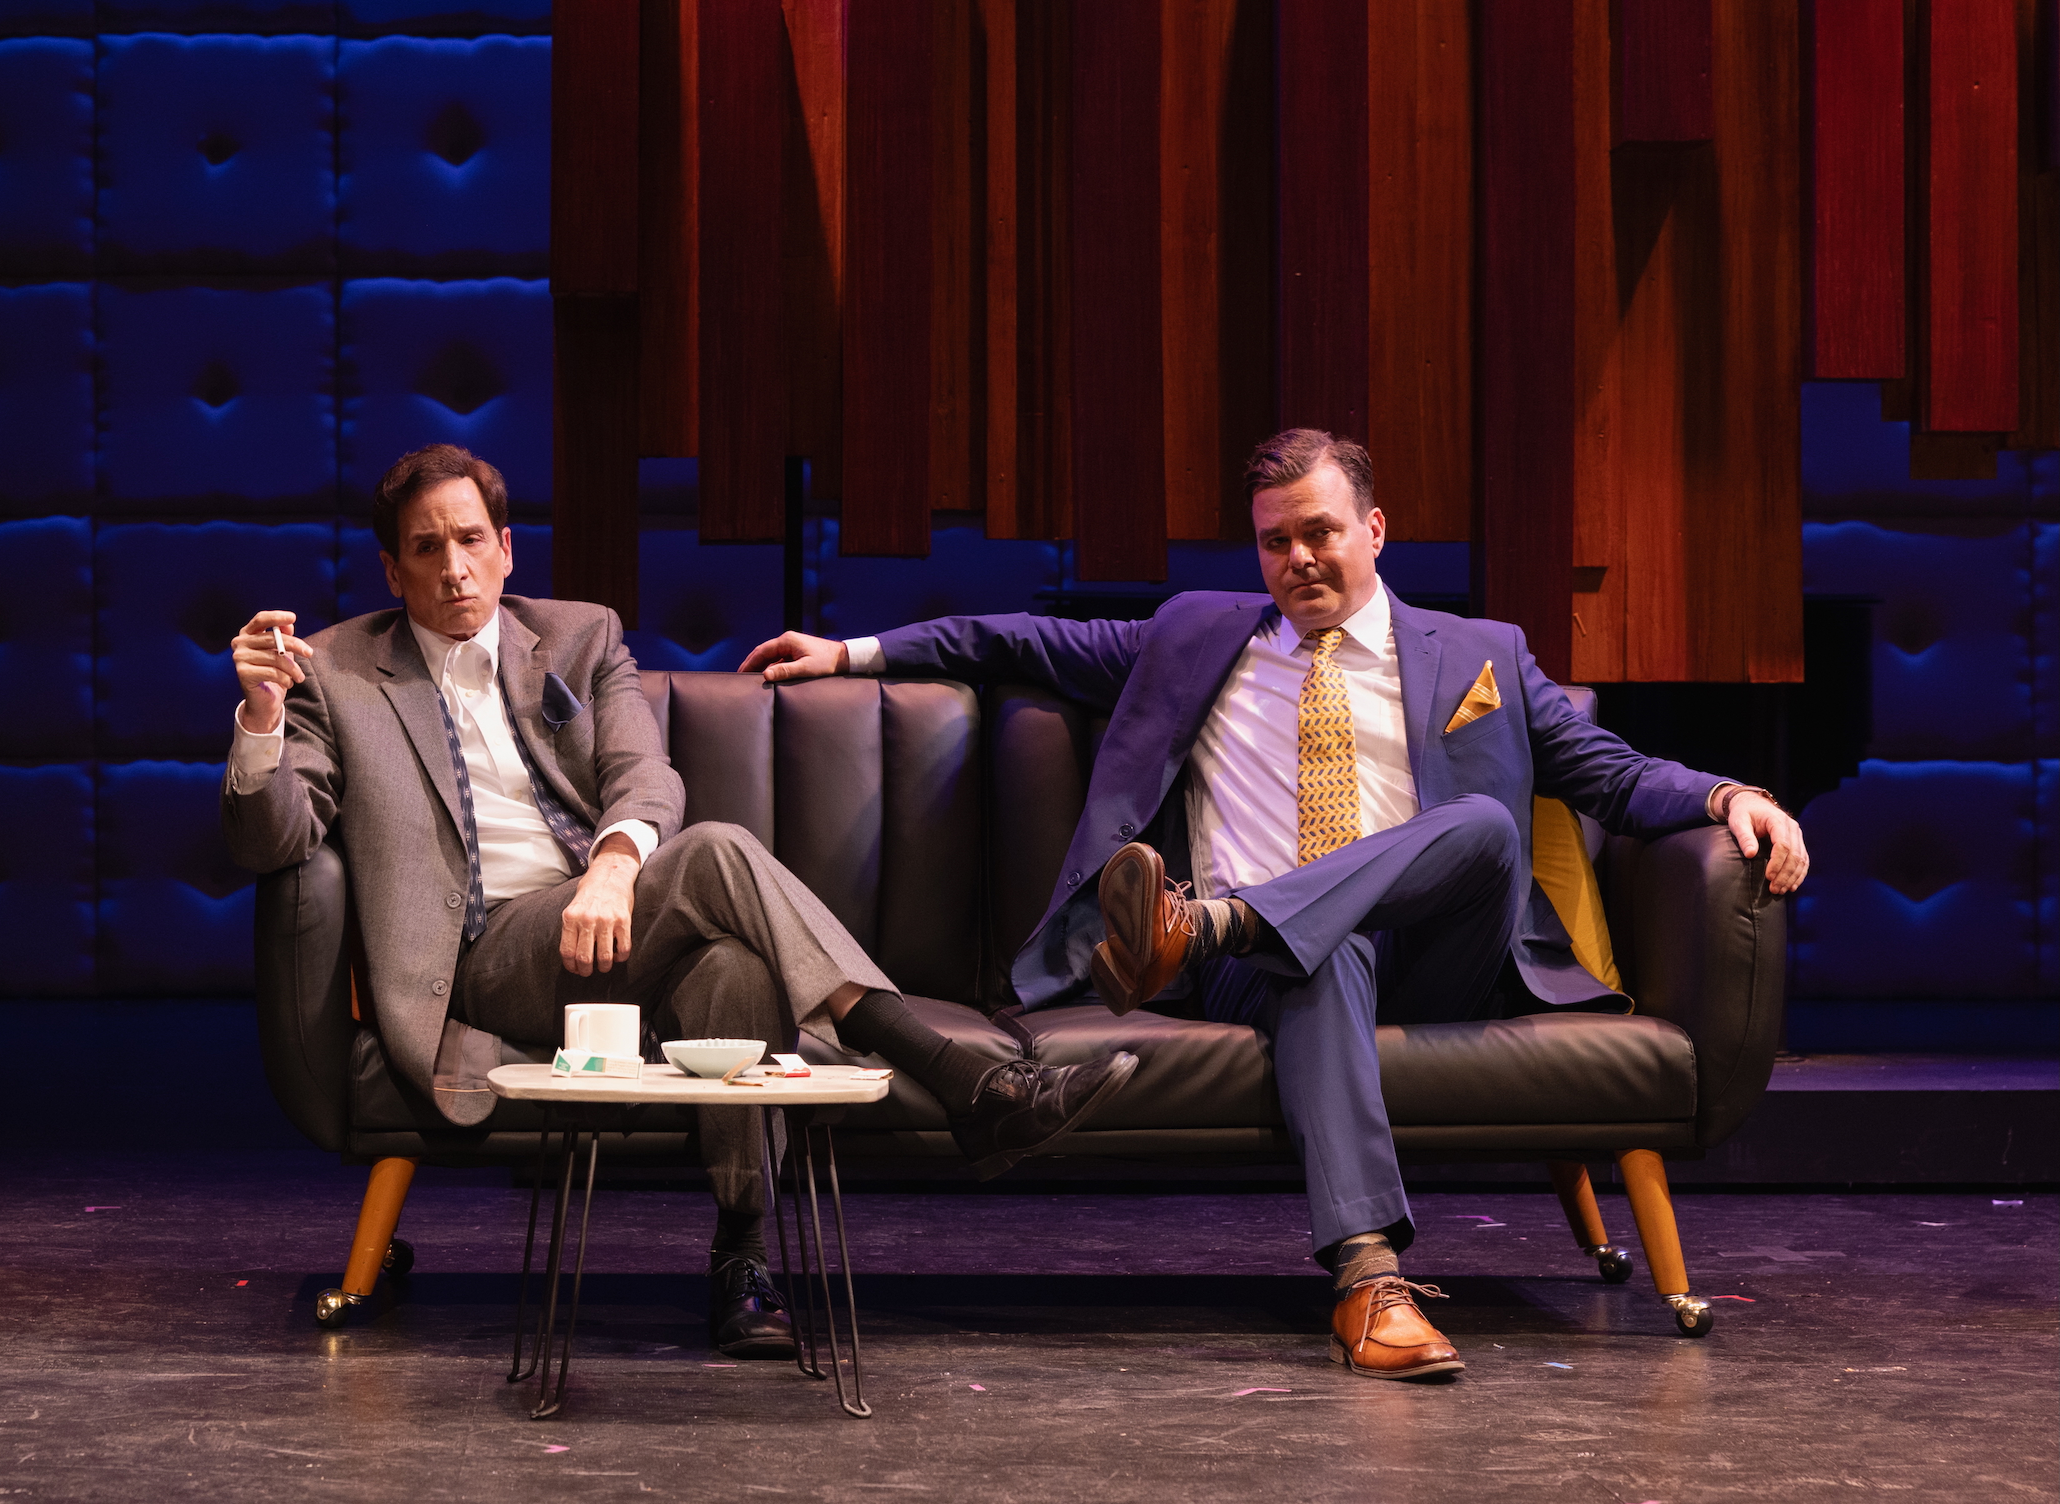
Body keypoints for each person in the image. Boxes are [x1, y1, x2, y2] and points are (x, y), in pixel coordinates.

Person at [739, 428, 1808, 1381]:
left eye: (1318, 531)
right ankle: (1367, 1278)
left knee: (1483, 823)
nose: (1295, 558)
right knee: (1319, 945)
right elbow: (1013, 639)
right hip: (1269, 965)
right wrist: (853, 650)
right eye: (1271, 541)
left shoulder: (1483, 652)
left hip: (1433, 944)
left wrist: (1728, 794)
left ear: (1374, 528)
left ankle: (1210, 919)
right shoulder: (1197, 636)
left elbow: (1610, 774)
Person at [223, 444, 1140, 1357]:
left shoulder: (581, 636)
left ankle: (741, 1260)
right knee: (716, 852)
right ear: (393, 569)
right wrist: (262, 716)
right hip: (485, 958)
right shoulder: (335, 671)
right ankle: (964, 1081)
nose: (454, 569)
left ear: (508, 547)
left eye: (470, 540)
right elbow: (274, 840)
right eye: (427, 549)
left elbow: (645, 777)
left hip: (613, 926)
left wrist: (612, 869)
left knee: (730, 966)